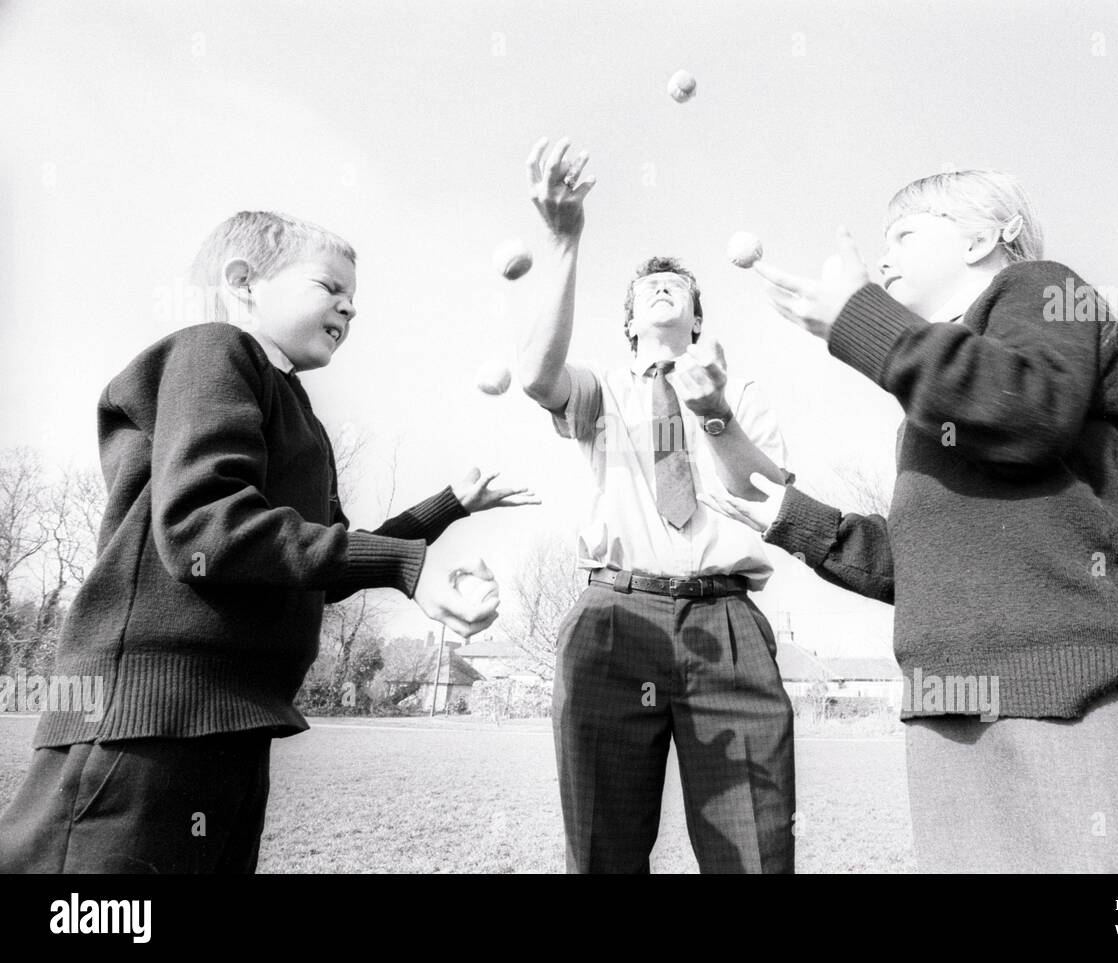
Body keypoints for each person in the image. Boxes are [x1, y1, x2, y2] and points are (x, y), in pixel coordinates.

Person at [705, 169, 1118, 873]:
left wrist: (861, 320)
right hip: (959, 710)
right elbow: (924, 565)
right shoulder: (941, 400)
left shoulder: (1046, 287)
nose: (883, 255)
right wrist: (791, 516)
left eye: (904, 232)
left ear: (986, 236)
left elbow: (1030, 408)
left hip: (1073, 689)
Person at [0, 210, 535, 873]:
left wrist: (447, 506)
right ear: (244, 281)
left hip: (230, 725)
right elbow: (202, 525)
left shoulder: (296, 412)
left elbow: (328, 561)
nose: (349, 306)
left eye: (355, 299)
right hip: (142, 726)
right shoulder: (211, 348)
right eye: (329, 285)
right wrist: (404, 565)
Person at [518, 137, 796, 873]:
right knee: (602, 854)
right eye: (648, 287)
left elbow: (762, 495)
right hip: (614, 619)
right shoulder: (602, 389)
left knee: (755, 855)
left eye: (678, 286)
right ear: (631, 321)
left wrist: (713, 415)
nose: (663, 287)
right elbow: (535, 375)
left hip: (727, 620)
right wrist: (564, 240)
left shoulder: (740, 393)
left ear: (698, 320)